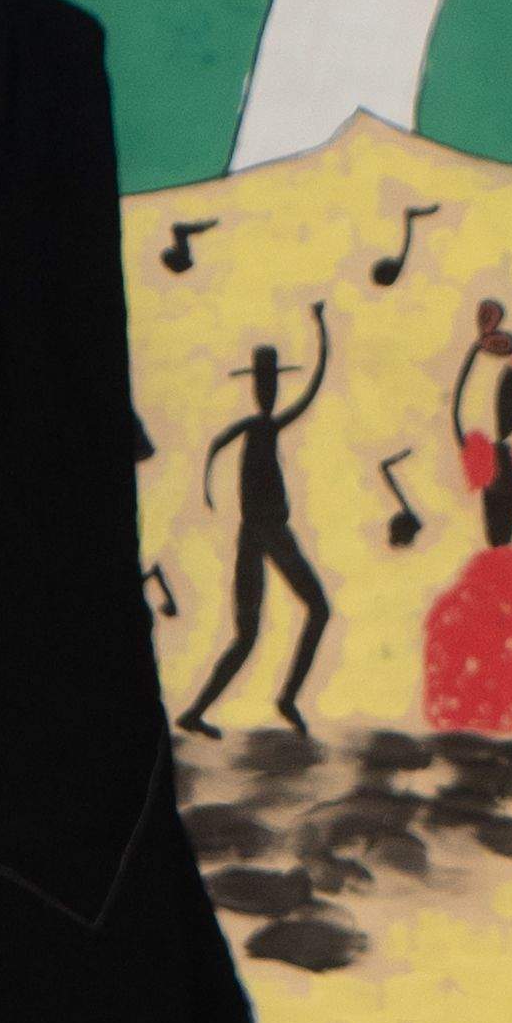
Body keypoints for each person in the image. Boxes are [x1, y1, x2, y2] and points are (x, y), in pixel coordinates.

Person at [179, 303, 334, 735]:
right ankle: (278, 698)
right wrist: (208, 486)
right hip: (264, 532)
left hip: (256, 533)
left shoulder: (260, 427)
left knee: (258, 631)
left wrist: (322, 333)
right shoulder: (258, 429)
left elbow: (312, 388)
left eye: (270, 384)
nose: (268, 393)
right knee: (312, 611)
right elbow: (215, 446)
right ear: (256, 387)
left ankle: (206, 710)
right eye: (263, 385)